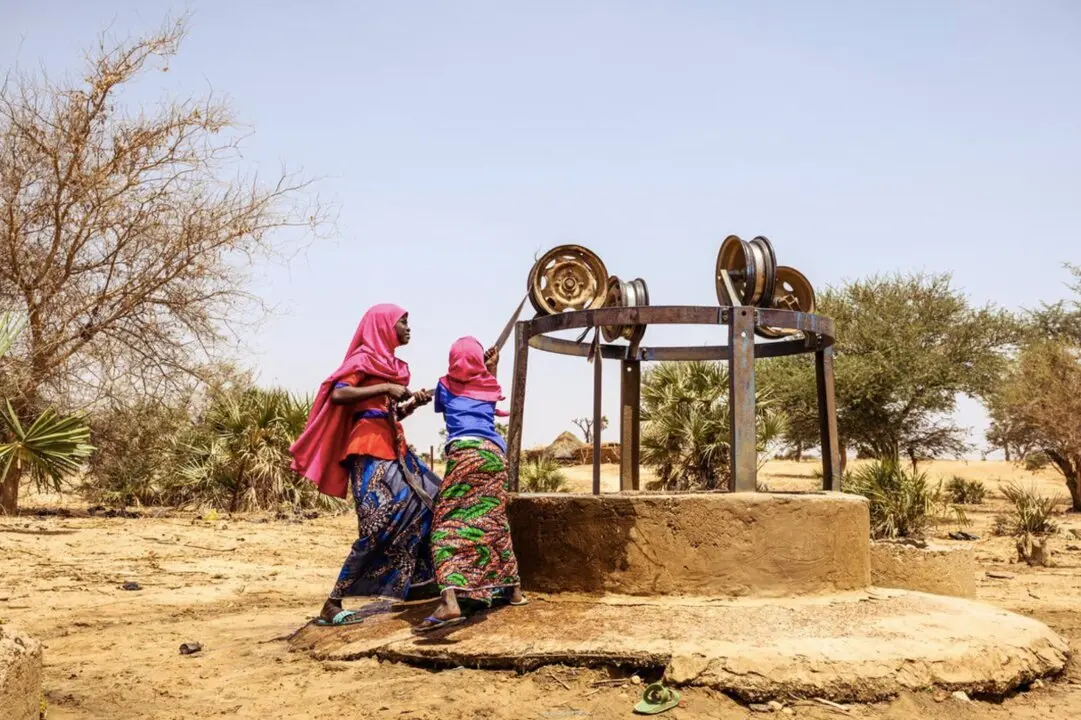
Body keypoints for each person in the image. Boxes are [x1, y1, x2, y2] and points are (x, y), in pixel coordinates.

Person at [289, 303, 440, 626]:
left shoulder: (393, 365)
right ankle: (332, 603)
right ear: (384, 326)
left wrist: (412, 403)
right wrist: (386, 387)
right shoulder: (363, 360)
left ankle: (419, 582)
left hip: (394, 448)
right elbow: (339, 395)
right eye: (403, 322)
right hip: (368, 449)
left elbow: (390, 414)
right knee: (377, 525)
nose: (408, 328)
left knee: (431, 501)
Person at [416, 337, 526, 632]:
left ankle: (450, 601)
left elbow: (444, 405)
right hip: (494, 454)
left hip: (465, 454)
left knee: (445, 526)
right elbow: (486, 394)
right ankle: (513, 590)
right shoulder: (489, 385)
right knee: (492, 518)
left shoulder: (444, 385)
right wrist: (491, 369)